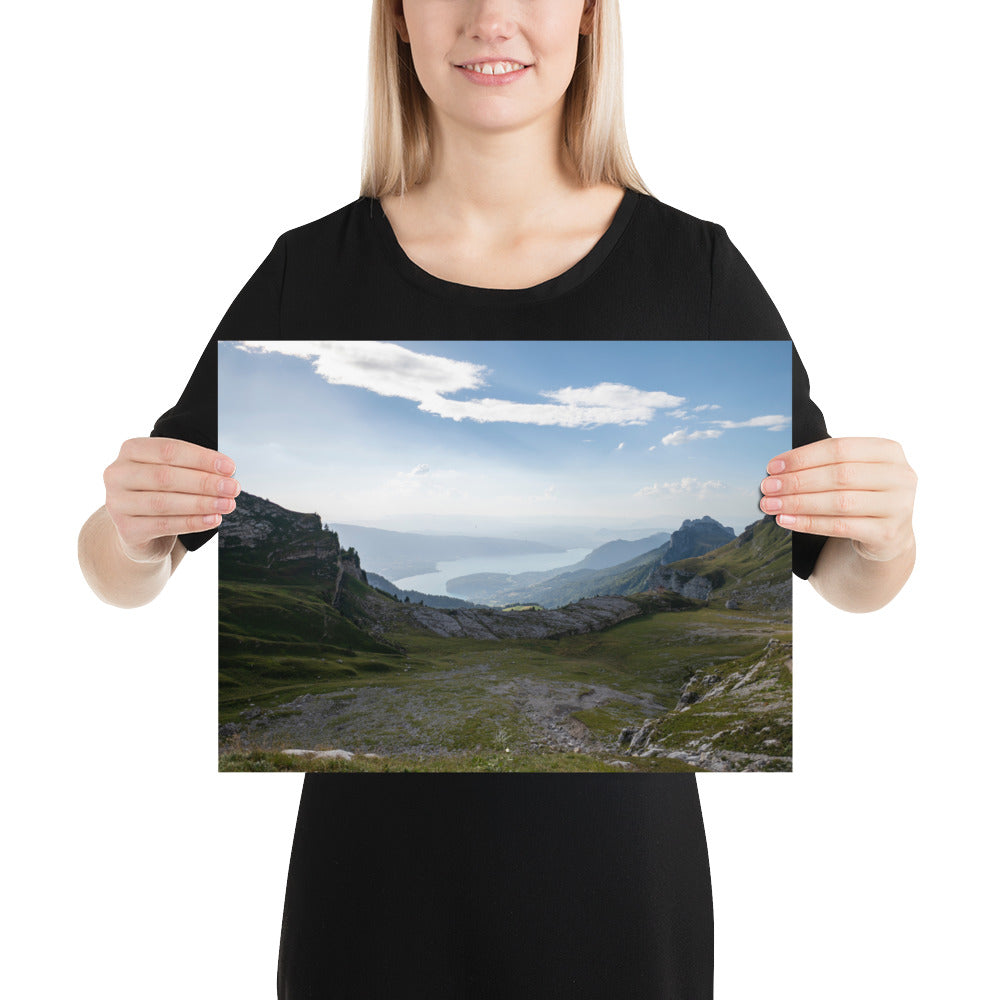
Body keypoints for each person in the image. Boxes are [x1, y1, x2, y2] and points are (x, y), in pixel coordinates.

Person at [78, 1, 917, 996]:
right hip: (370, 900)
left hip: (621, 898)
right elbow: (121, 568)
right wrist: (130, 533)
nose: (491, 18)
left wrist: (885, 532)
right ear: (396, 19)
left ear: (591, 18)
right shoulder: (310, 272)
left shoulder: (694, 272)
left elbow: (843, 577)